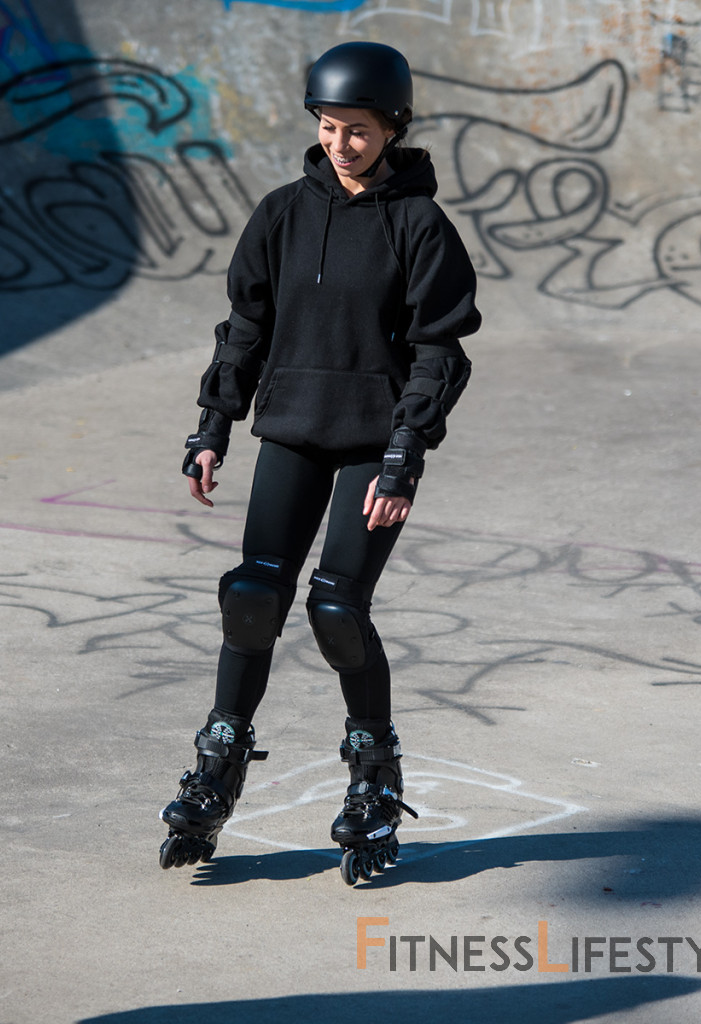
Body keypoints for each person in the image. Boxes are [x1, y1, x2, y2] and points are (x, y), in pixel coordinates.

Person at [158, 40, 481, 884]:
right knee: (252, 597)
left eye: (359, 130)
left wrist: (404, 456)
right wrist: (212, 426)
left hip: (374, 443)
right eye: (330, 126)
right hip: (293, 429)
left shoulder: (420, 225)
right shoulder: (281, 213)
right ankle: (218, 761)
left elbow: (439, 352)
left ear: (393, 128)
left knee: (337, 608)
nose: (342, 143)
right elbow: (245, 330)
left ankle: (375, 779)